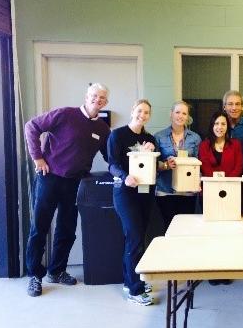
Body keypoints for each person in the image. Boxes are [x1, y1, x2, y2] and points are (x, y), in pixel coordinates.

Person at [24, 83, 110, 297]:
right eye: (94, 95)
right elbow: (31, 127)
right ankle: (35, 276)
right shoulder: (65, 114)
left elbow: (110, 156)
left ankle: (57, 271)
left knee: (67, 229)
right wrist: (38, 157)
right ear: (86, 96)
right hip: (49, 178)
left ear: (105, 102)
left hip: (75, 183)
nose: (97, 100)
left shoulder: (102, 129)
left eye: (101, 98)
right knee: (39, 228)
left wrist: (132, 162)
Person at [108, 99, 158, 306]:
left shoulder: (149, 138)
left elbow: (156, 164)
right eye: (139, 111)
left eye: (146, 112)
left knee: (136, 238)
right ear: (132, 111)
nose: (142, 115)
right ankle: (135, 291)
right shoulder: (117, 135)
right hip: (125, 194)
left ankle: (130, 281)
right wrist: (124, 176)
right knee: (135, 238)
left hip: (145, 194)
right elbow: (112, 164)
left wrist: (156, 153)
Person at [198, 111, 243, 286]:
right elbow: (205, 167)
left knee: (227, 233)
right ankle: (212, 270)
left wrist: (226, 183)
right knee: (211, 233)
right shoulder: (204, 145)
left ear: (228, 126)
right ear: (212, 125)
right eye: (216, 123)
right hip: (210, 192)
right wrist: (218, 182)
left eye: (223, 124)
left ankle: (225, 269)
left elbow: (239, 166)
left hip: (231, 193)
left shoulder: (236, 144)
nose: (220, 127)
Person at [154, 101, 202, 234]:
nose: (180, 116)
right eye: (177, 112)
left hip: (188, 191)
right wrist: (165, 165)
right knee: (169, 228)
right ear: (171, 114)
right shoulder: (159, 136)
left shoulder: (195, 138)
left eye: (184, 113)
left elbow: (199, 164)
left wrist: (199, 181)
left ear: (188, 117)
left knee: (186, 230)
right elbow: (154, 164)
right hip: (165, 190)